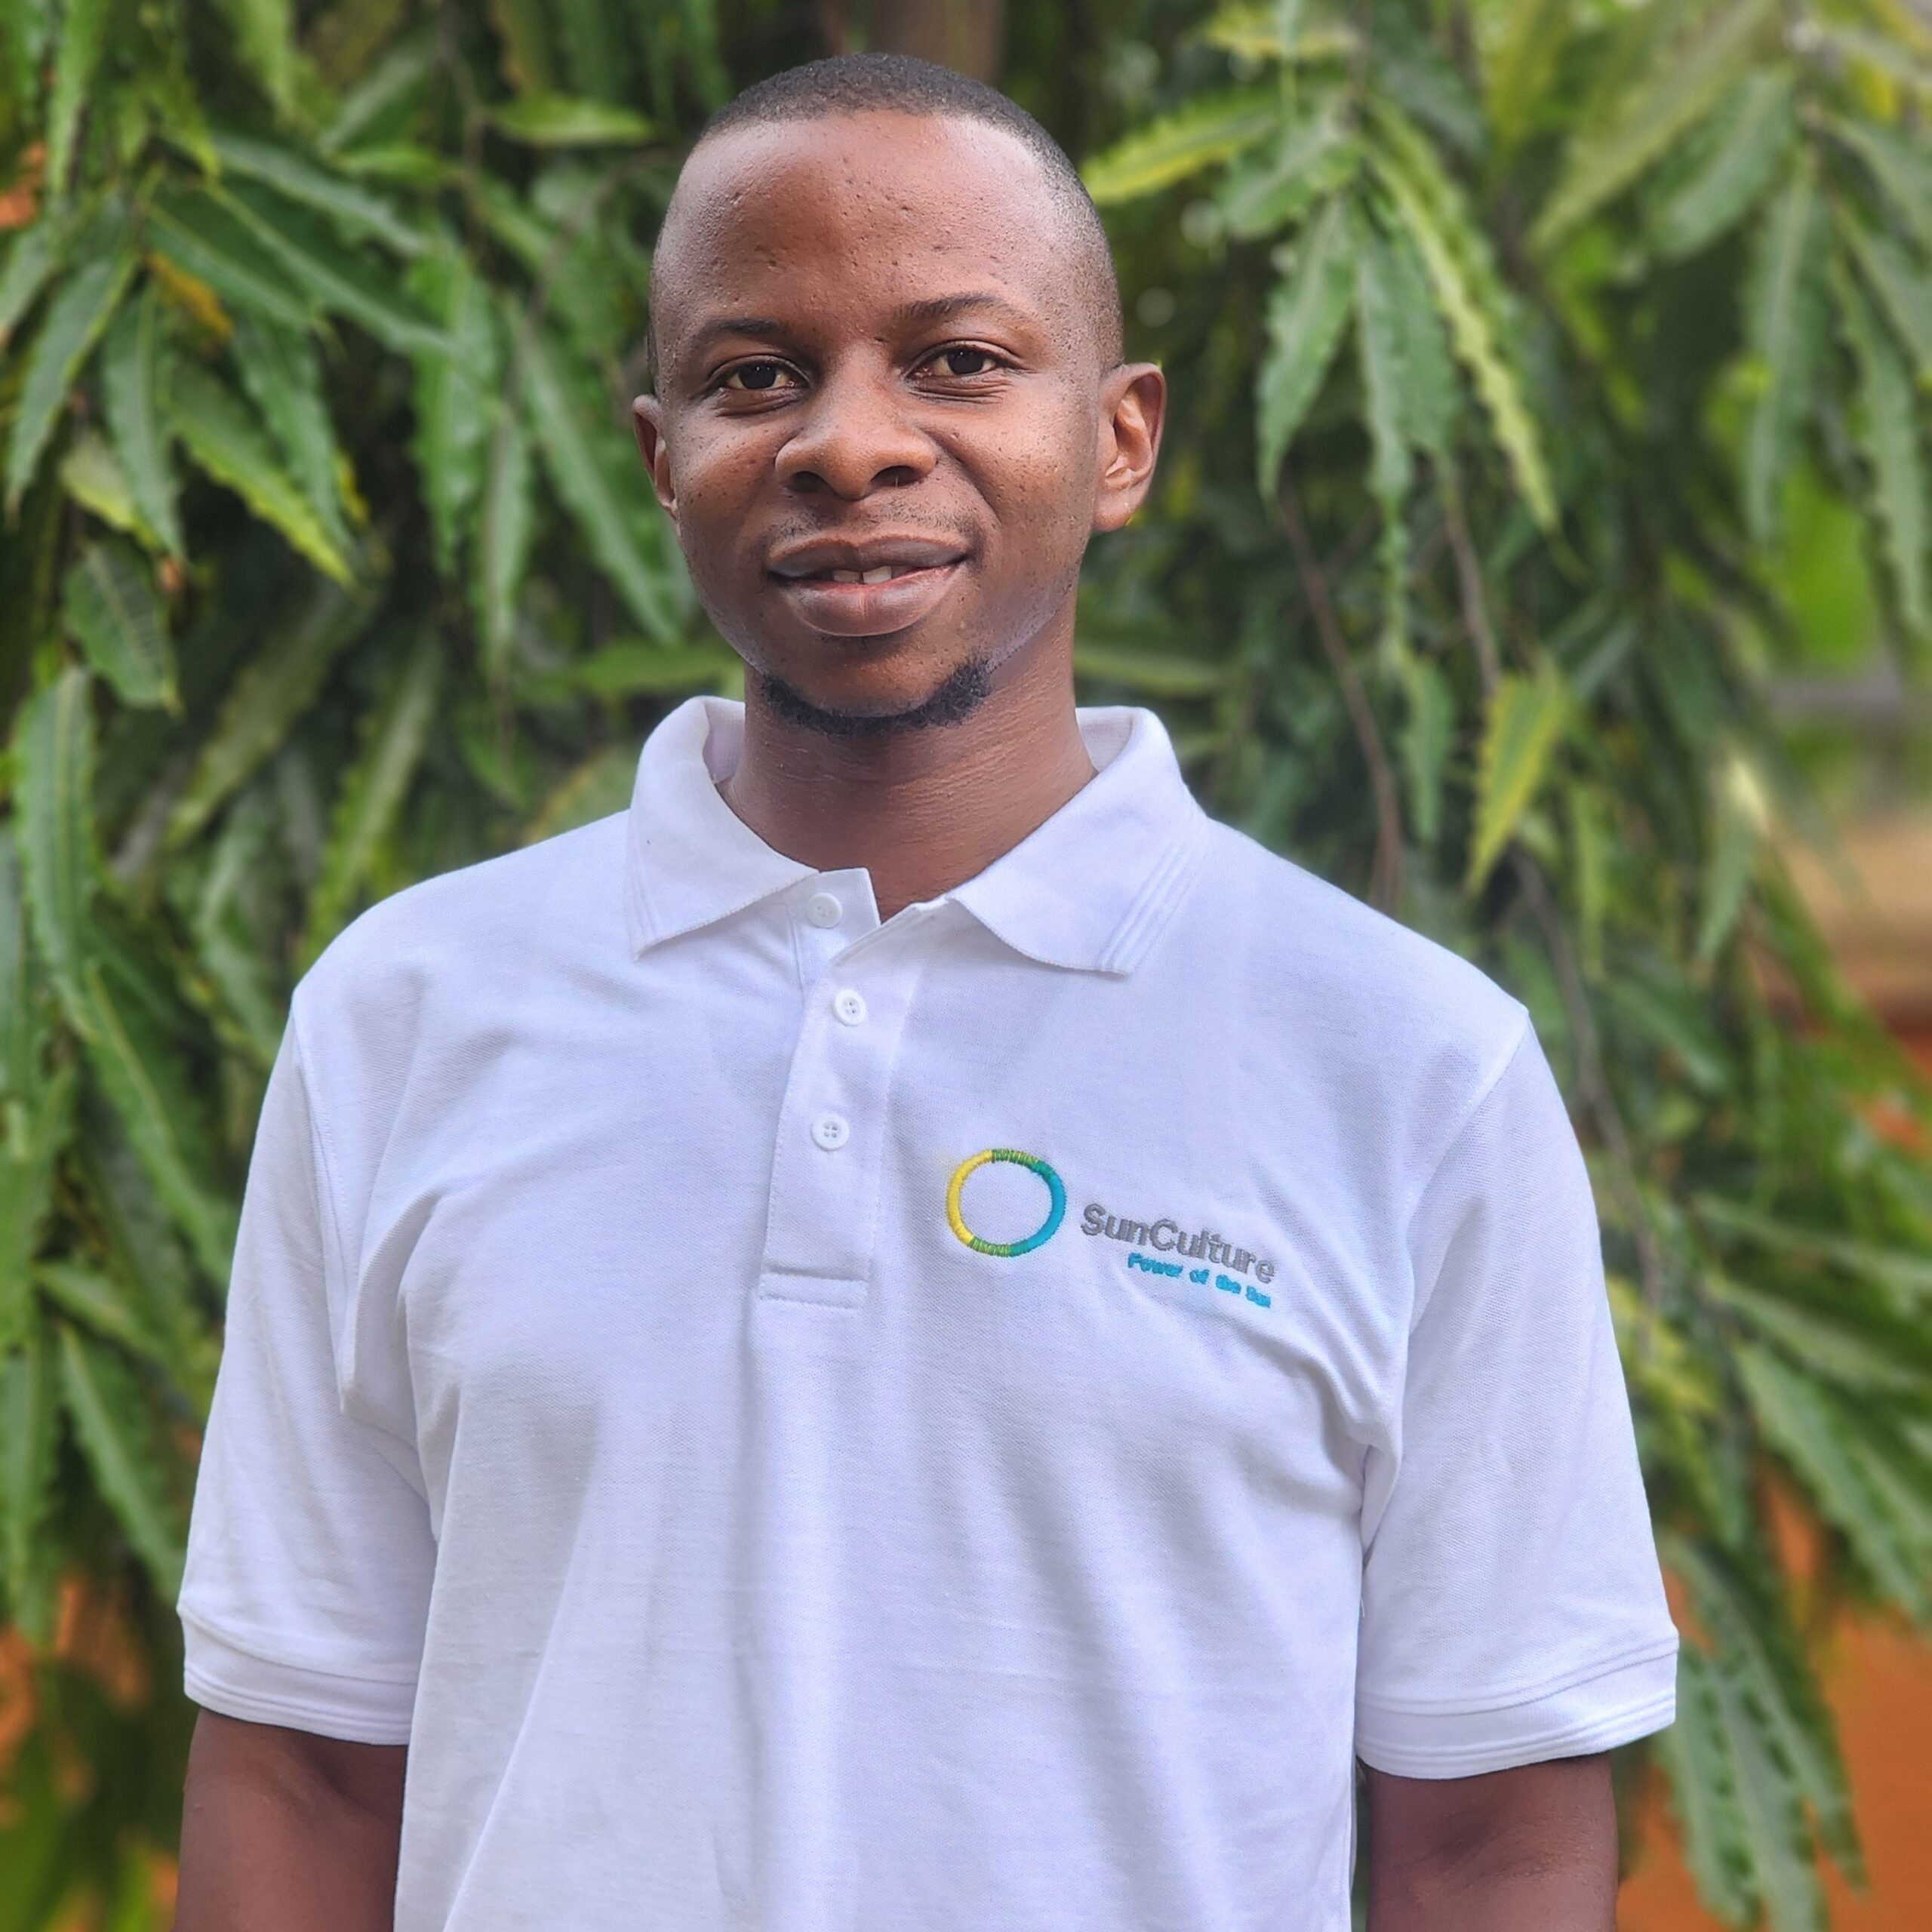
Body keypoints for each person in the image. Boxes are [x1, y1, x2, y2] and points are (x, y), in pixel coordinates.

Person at [172, 51, 1678, 1932]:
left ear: (1117, 439)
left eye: (957, 359)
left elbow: (1492, 1831)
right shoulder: (405, 1015)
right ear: (659, 456)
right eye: (753, 375)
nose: (847, 443)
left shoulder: (1408, 1066)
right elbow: (304, 1760)